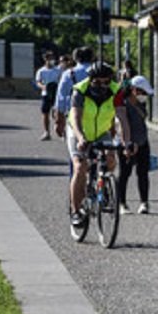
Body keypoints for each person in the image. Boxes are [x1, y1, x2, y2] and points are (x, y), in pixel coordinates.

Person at [67, 62, 132, 229]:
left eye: (105, 82)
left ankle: (104, 185)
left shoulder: (116, 90)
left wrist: (127, 142)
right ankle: (76, 211)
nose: (102, 86)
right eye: (97, 82)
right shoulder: (80, 90)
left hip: (101, 130)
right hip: (78, 130)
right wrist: (81, 138)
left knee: (111, 160)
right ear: (90, 80)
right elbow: (75, 116)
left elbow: (122, 118)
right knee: (80, 167)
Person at [117, 74, 155, 214]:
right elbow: (121, 123)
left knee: (143, 173)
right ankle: (122, 203)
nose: (144, 96)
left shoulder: (140, 103)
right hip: (126, 142)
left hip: (142, 140)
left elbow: (144, 116)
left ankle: (144, 203)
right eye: (143, 92)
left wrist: (137, 104)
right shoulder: (122, 102)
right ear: (134, 90)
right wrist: (126, 143)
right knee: (124, 173)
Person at [56, 47, 93, 139]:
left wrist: (59, 122)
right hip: (98, 114)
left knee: (76, 147)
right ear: (92, 57)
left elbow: (61, 98)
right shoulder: (98, 72)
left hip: (74, 113)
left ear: (75, 58)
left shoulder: (69, 74)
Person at [34, 52, 61, 140]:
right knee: (45, 114)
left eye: (52, 58)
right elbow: (38, 82)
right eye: (49, 58)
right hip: (46, 94)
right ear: (45, 59)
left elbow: (61, 80)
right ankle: (46, 132)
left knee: (58, 113)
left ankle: (61, 131)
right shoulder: (41, 71)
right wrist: (44, 87)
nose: (51, 60)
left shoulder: (58, 70)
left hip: (56, 94)